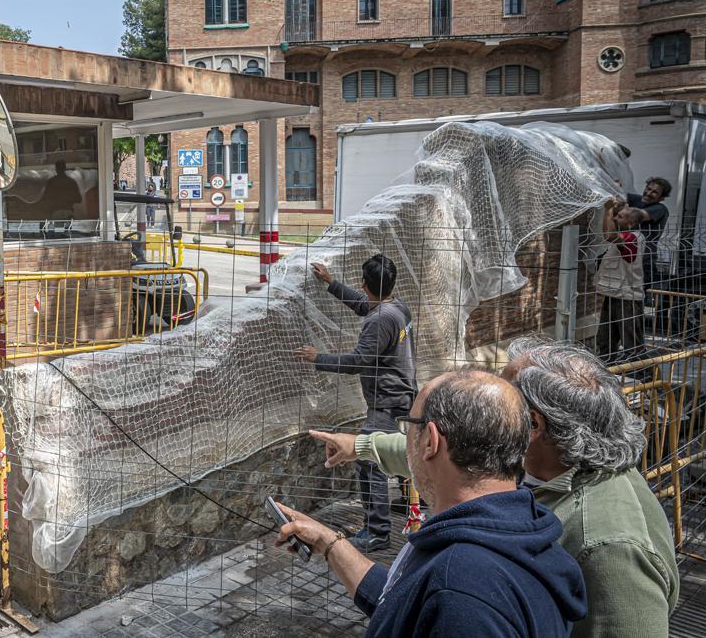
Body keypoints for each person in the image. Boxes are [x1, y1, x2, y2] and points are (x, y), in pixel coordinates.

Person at [311, 336, 678, 638]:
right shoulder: (532, 468)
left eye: (505, 394)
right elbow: (449, 453)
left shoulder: (612, 543)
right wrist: (357, 446)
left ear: (532, 425)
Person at [277, 369, 587, 636]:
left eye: (409, 426)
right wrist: (329, 543)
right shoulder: (517, 530)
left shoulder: (462, 592)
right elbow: (401, 602)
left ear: (430, 441)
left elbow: (445, 597)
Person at [295, 254, 415, 552]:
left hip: (387, 400)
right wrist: (332, 283)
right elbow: (366, 306)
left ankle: (377, 533)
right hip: (401, 395)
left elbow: (358, 361)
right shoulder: (396, 307)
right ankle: (410, 502)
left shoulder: (379, 319)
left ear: (365, 283)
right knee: (394, 451)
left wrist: (318, 358)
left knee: (369, 461)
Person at [595, 198, 646, 364]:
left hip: (628, 298)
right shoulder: (627, 235)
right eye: (616, 216)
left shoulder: (632, 238)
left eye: (620, 217)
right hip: (614, 293)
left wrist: (608, 210)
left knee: (632, 344)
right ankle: (606, 370)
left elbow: (609, 236)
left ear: (631, 223)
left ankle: (641, 376)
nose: (616, 219)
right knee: (605, 339)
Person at [627, 176, 672, 289]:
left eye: (654, 192)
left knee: (635, 299)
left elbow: (636, 216)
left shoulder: (660, 208)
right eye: (648, 188)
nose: (648, 193)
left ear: (662, 198)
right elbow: (615, 193)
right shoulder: (637, 199)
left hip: (643, 262)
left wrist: (619, 207)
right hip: (627, 257)